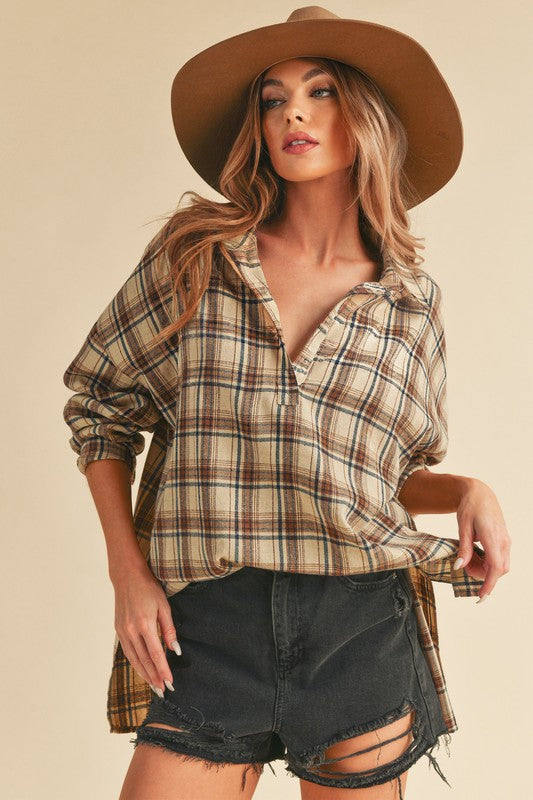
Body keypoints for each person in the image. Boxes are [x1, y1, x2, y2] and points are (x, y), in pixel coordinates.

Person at [62, 6, 511, 800]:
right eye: (273, 99)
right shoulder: (197, 257)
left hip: (358, 623)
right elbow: (101, 405)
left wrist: (466, 490)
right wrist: (126, 573)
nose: (292, 113)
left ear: (364, 119)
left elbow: (378, 480)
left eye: (320, 92)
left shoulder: (407, 303)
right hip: (208, 620)